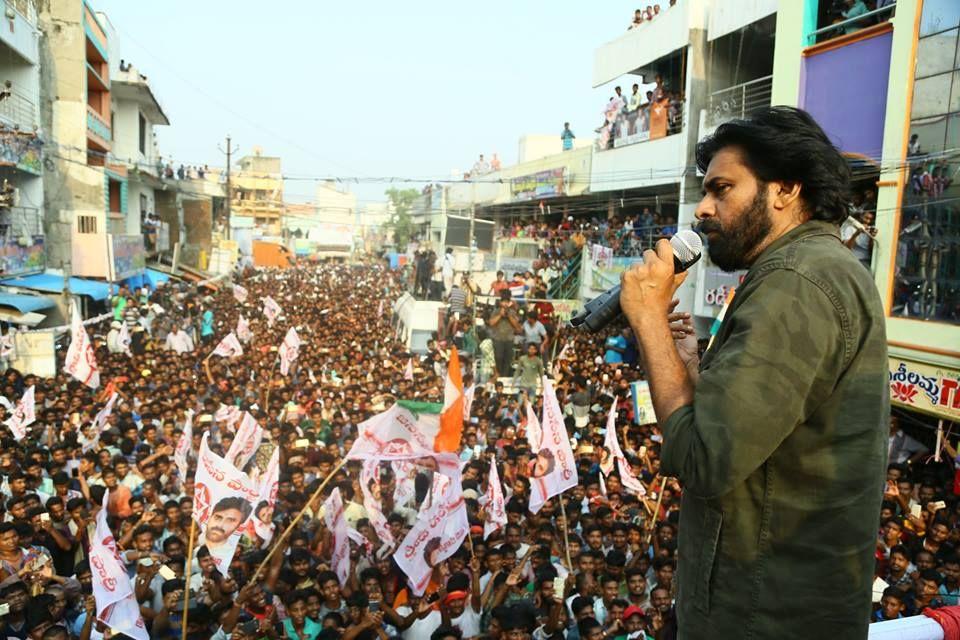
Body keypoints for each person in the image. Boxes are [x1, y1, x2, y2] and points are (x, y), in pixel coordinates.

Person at [619, 106, 888, 637]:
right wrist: (691, 365)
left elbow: (703, 459)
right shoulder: (801, 271)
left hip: (762, 615)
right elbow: (743, 435)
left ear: (785, 190)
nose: (702, 209)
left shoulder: (797, 282)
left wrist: (649, 321)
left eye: (722, 189)